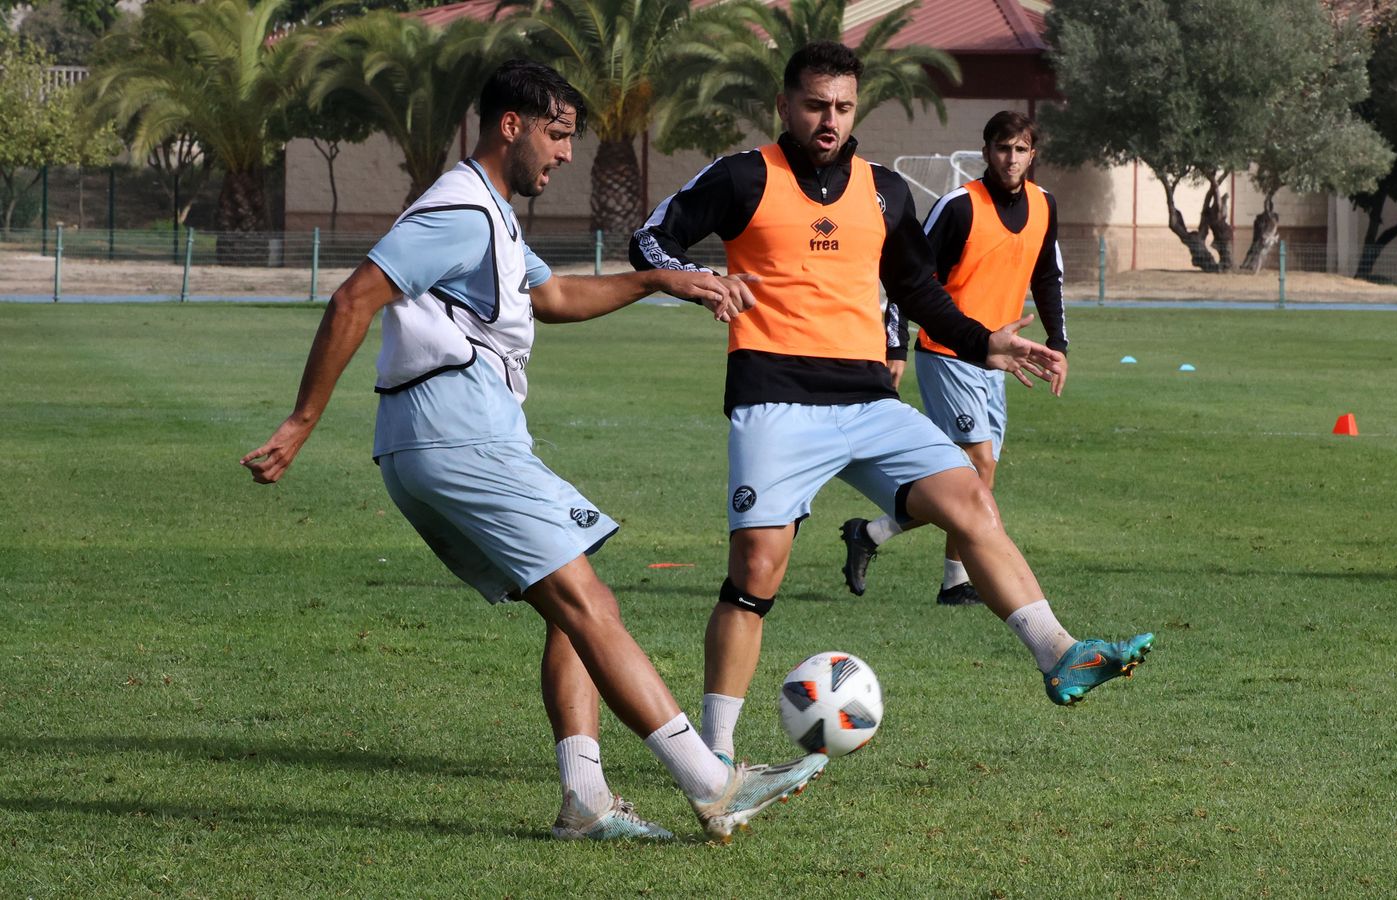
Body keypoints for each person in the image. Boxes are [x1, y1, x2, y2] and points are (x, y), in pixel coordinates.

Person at [241, 59, 825, 843]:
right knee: (589, 604)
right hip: (457, 433)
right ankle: (711, 782)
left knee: (571, 609)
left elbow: (550, 299)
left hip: (448, 440)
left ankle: (585, 799)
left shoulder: (495, 216)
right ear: (510, 125)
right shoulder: (459, 210)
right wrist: (302, 421)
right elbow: (356, 295)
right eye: (555, 136)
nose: (563, 155)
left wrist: (659, 280)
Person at [630, 42, 1154, 764]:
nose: (829, 120)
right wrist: (687, 277)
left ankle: (1059, 653)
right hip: (775, 399)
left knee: (971, 501)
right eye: (815, 105)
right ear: (784, 105)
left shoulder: (884, 190)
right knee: (756, 573)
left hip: (869, 401)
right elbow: (650, 237)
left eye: (843, 107)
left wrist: (985, 343)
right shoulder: (743, 176)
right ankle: (714, 755)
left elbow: (919, 292)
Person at [841, 111, 1069, 606]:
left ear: (1034, 154)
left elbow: (1047, 277)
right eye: (1002, 148)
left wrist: (1059, 345)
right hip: (947, 353)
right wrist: (894, 344)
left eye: (1021, 149)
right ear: (985, 151)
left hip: (998, 360)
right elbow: (909, 278)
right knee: (977, 465)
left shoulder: (1044, 205)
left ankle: (876, 535)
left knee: (975, 477)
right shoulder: (959, 205)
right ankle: (954, 582)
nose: (1011, 159)